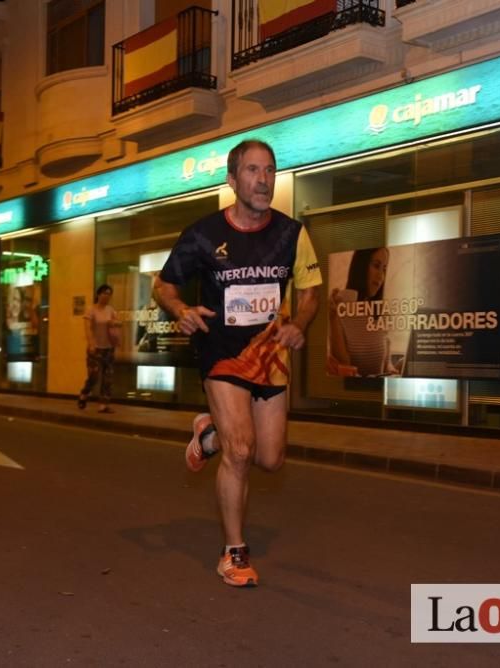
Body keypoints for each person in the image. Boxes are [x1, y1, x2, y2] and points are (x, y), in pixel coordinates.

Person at [152, 139, 322, 587]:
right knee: (242, 451)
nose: (263, 179)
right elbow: (164, 286)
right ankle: (234, 553)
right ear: (232, 180)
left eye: (269, 170)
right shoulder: (203, 235)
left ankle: (208, 436)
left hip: (270, 357)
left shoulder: (292, 234)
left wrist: (300, 323)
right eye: (252, 170)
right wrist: (181, 310)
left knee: (270, 459)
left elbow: (310, 293)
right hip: (222, 353)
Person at [327, 247, 398, 377]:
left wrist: (392, 369)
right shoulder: (340, 305)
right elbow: (344, 365)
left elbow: (386, 362)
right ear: (361, 266)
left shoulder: (382, 311)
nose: (380, 276)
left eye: (384, 269)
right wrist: (333, 318)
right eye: (376, 266)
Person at [78, 284, 120, 413]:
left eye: (109, 294)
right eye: (105, 293)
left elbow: (118, 323)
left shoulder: (111, 310)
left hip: (108, 348)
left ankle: (103, 404)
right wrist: (91, 344)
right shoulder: (91, 310)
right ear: (98, 294)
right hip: (95, 349)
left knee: (108, 377)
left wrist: (115, 323)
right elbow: (87, 328)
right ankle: (84, 393)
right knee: (94, 376)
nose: (107, 296)